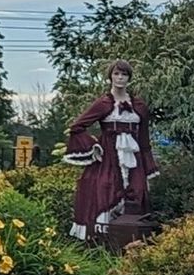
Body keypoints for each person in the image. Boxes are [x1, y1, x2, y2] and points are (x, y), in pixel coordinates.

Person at [64, 59, 158, 240]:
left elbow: (144, 140)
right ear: (110, 77)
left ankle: (129, 240)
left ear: (129, 78)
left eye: (124, 74)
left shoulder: (139, 106)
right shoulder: (103, 103)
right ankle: (101, 240)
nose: (120, 78)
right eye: (116, 74)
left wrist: (148, 167)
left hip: (133, 156)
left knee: (136, 190)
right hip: (108, 155)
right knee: (104, 189)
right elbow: (77, 127)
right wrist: (93, 147)